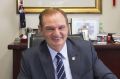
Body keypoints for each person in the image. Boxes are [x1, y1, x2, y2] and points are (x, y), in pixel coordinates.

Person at [17, 7, 118, 79]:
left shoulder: (86, 50)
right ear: (41, 30)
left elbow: (106, 75)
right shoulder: (29, 58)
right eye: (50, 29)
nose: (57, 34)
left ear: (68, 28)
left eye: (61, 27)